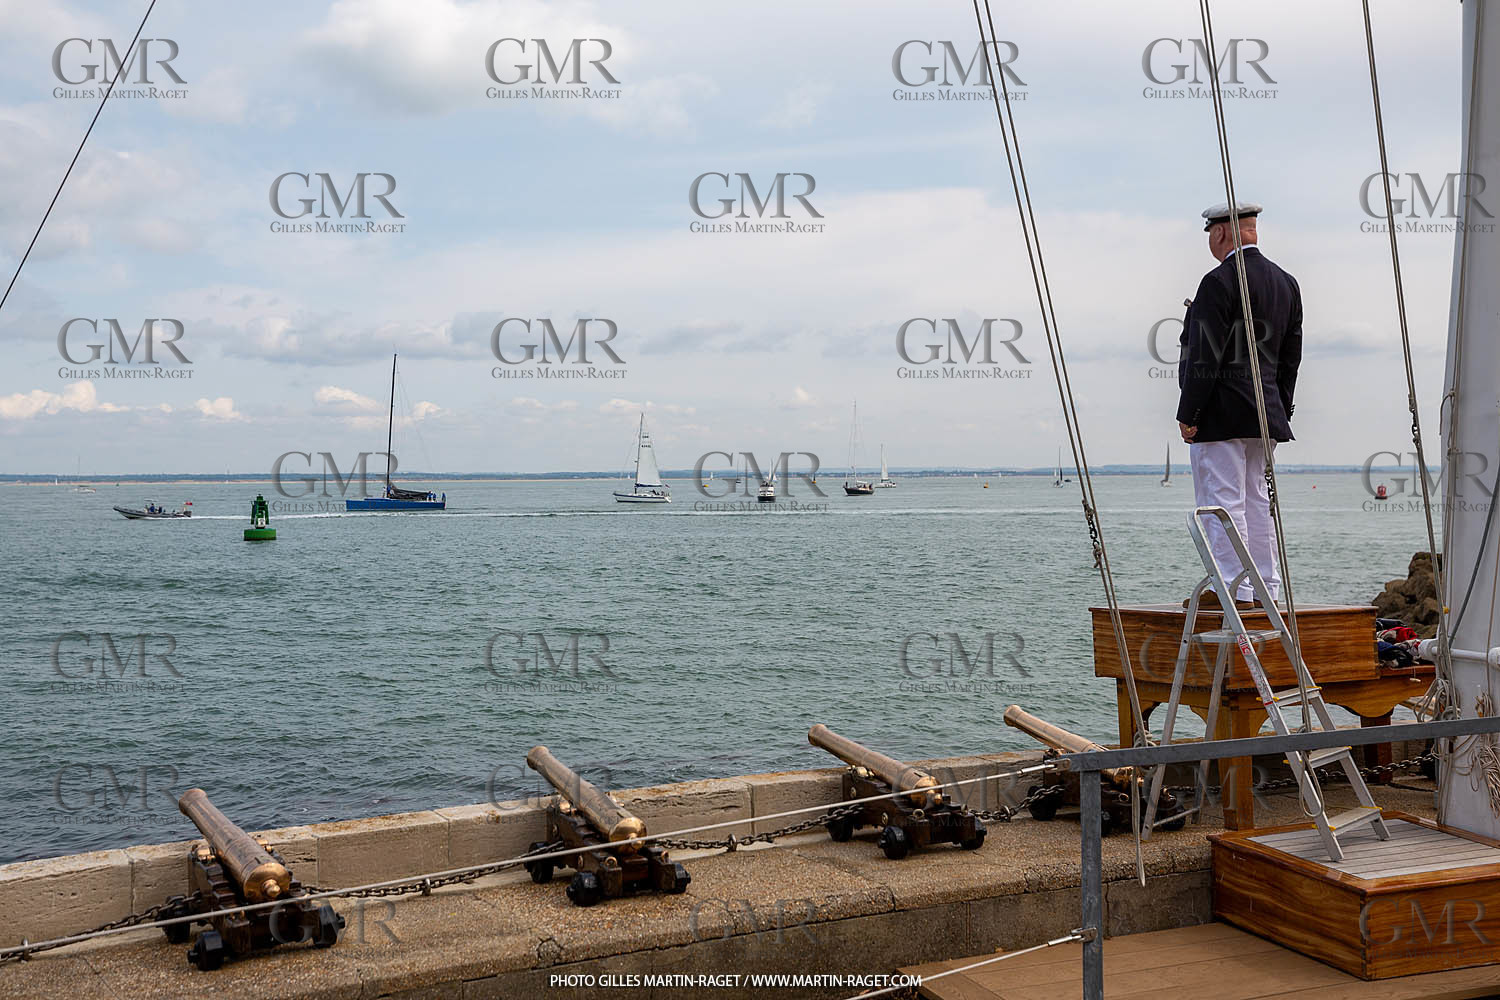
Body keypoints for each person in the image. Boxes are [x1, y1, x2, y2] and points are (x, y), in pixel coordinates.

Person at [1177, 200, 1303, 608]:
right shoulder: (1286, 283)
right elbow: (1290, 357)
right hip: (1265, 414)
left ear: (1219, 233)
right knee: (1257, 503)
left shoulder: (1218, 281)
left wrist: (1189, 414)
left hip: (1221, 414)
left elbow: (1204, 355)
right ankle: (1266, 586)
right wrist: (1280, 407)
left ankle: (1232, 588)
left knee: (1221, 502)